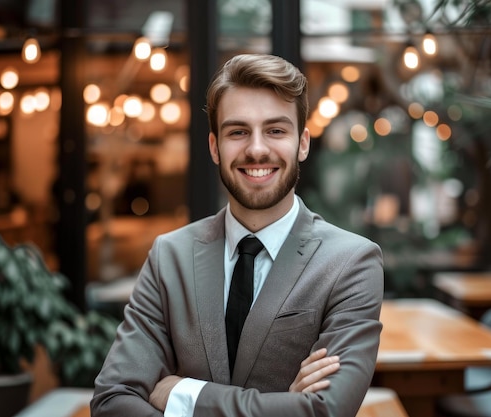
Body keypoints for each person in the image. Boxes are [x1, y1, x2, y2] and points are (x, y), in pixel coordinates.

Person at [91, 53, 384, 417]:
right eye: (238, 131)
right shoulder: (170, 256)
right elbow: (112, 402)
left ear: (303, 143)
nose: (257, 149)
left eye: (276, 130)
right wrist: (284, 406)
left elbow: (326, 411)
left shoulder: (352, 262)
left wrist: (185, 396)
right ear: (215, 147)